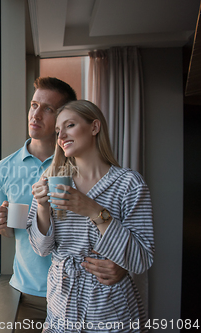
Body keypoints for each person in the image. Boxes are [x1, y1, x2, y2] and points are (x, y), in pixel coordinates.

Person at [0, 77, 127, 333]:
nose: (36, 114)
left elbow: (116, 235)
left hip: (83, 294)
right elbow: (12, 233)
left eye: (48, 109)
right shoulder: (5, 168)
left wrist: (124, 264)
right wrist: (1, 223)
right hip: (28, 293)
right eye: (34, 105)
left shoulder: (84, 164)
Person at [28, 100, 154, 332]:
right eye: (58, 131)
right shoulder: (53, 180)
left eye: (70, 125)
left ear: (94, 127)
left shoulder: (129, 184)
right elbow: (41, 249)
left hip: (109, 311)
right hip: (60, 308)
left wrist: (94, 211)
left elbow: (141, 259)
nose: (61, 136)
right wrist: (42, 207)